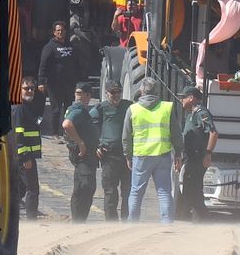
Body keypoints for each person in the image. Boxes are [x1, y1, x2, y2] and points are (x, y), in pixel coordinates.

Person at [124, 76, 183, 223]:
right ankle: (167, 223)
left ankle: (132, 223)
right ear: (157, 91)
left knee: (136, 192)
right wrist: (178, 153)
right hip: (162, 155)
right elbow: (176, 133)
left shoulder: (133, 109)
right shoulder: (166, 108)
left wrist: (127, 155)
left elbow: (126, 136)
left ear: (142, 91)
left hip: (141, 156)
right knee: (164, 192)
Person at [177, 87, 219, 222]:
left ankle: (200, 219)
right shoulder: (191, 114)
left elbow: (213, 132)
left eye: (183, 97)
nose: (181, 100)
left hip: (197, 158)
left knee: (193, 189)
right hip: (190, 158)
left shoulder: (202, 113)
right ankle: (193, 218)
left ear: (191, 98)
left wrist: (208, 153)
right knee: (190, 189)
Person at [62, 82, 101, 222]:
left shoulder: (75, 108)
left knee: (80, 187)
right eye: (77, 93)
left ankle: (77, 219)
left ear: (88, 95)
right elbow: (67, 124)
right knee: (87, 186)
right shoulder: (78, 109)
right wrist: (81, 142)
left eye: (80, 93)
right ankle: (79, 220)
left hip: (82, 155)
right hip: (84, 155)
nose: (78, 96)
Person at [96, 81, 133, 221]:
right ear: (106, 93)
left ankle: (127, 221)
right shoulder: (101, 108)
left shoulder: (129, 106)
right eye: (113, 92)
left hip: (127, 156)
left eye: (118, 91)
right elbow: (90, 126)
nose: (116, 95)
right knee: (110, 191)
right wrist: (96, 145)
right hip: (109, 155)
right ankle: (111, 222)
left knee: (128, 191)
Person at [38, 21, 79, 136]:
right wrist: (41, 81)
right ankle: (55, 133)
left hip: (69, 84)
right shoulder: (49, 47)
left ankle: (67, 132)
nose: (60, 32)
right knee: (56, 110)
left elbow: (76, 63)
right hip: (54, 84)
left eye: (62, 30)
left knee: (68, 109)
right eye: (58, 30)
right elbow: (43, 64)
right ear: (54, 32)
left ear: (65, 32)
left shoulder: (70, 46)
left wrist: (79, 79)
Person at [11, 79, 43, 219]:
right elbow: (18, 135)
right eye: (26, 88)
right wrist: (25, 157)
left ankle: (13, 215)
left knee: (19, 189)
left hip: (26, 156)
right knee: (33, 189)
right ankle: (31, 221)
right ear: (19, 90)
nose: (29, 91)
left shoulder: (27, 107)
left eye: (32, 89)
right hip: (25, 157)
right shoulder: (19, 109)